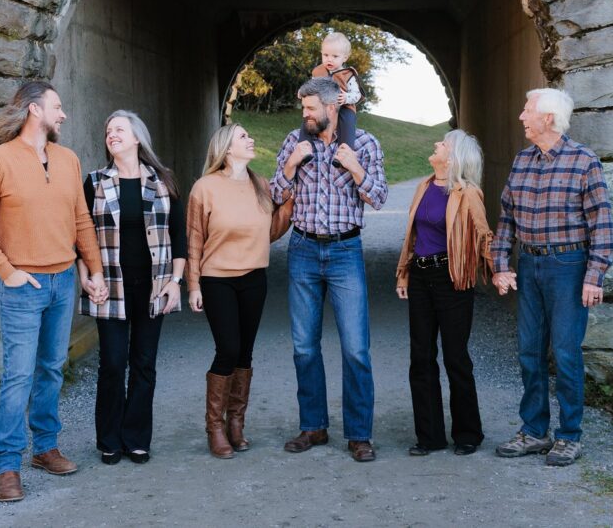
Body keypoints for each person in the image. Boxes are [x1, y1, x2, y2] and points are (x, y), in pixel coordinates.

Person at [0, 81, 105, 503]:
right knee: (19, 374)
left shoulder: (68, 159)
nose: (63, 115)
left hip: (63, 281)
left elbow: (81, 220)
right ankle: (7, 466)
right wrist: (7, 271)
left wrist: (92, 271)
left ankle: (45, 448)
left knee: (52, 368)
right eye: (57, 107)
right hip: (22, 286)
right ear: (33, 110)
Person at [490, 88, 613, 467]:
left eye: (527, 111)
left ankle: (569, 435)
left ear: (548, 118)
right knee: (529, 351)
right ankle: (534, 431)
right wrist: (501, 264)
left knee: (564, 353)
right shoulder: (522, 160)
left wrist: (594, 277)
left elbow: (603, 224)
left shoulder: (583, 161)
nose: (521, 118)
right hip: (530, 265)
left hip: (568, 267)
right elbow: (507, 217)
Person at [270, 77, 387, 462]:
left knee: (355, 348)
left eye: (310, 108)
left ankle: (359, 434)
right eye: (302, 109)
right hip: (302, 249)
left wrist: (355, 167)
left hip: (345, 252)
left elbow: (380, 197)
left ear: (331, 107)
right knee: (304, 346)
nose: (304, 115)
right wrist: (289, 165)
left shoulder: (363, 143)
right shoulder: (294, 141)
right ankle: (313, 427)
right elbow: (274, 195)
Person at [76, 110, 186, 465]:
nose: (112, 134)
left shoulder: (163, 181)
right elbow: (80, 235)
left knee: (144, 363)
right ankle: (109, 439)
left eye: (119, 129)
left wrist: (175, 282)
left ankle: (136, 438)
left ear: (137, 138)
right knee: (112, 363)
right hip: (109, 285)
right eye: (108, 130)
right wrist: (85, 275)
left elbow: (179, 236)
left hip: (153, 285)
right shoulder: (93, 182)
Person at [394, 129, 493, 457]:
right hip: (422, 277)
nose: (436, 144)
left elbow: (483, 234)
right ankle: (430, 436)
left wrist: (497, 271)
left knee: (455, 357)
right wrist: (403, 274)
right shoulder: (423, 186)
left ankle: (468, 433)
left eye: (443, 143)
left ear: (452, 157)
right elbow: (412, 235)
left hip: (452, 279)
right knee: (420, 357)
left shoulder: (468, 193)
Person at [185, 123, 274, 458]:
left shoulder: (260, 185)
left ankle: (236, 422)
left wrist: (291, 204)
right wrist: (193, 285)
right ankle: (215, 427)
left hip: (255, 277)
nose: (251, 139)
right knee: (228, 348)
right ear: (225, 147)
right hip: (217, 278)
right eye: (243, 136)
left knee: (245, 351)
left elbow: (271, 230)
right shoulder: (205, 188)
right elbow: (194, 240)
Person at [308, 28, 362, 148]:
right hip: (322, 105)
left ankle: (345, 151)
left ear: (345, 58)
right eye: (326, 55)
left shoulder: (348, 74)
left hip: (343, 106)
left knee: (348, 121)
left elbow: (357, 94)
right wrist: (303, 93)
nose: (329, 59)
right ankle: (304, 144)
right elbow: (311, 87)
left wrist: (346, 97)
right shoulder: (318, 71)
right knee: (309, 118)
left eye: (335, 56)